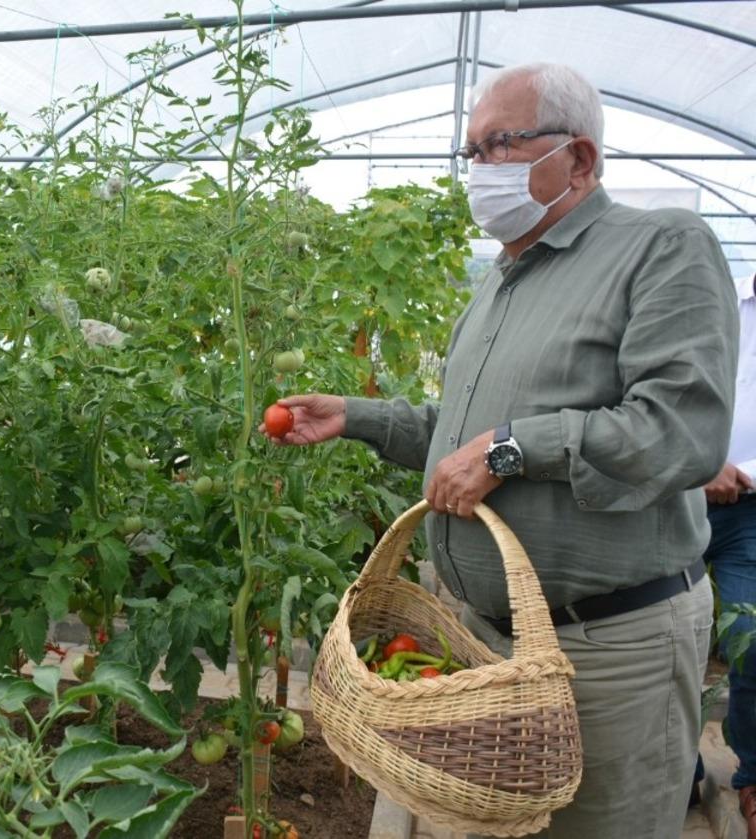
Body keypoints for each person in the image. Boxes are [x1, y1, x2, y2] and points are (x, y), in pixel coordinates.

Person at [265, 63, 739, 838]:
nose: (477, 170)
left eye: (499, 146)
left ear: (579, 159)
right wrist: (354, 416)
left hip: (608, 648)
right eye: (471, 152)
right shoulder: (501, 279)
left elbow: (679, 431)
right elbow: (459, 439)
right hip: (490, 647)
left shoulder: (660, 247)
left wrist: (516, 446)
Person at [692, 270, 756, 835]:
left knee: (750, 640)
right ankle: (678, 765)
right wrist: (696, 462)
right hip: (673, 497)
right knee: (656, 631)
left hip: (753, 509)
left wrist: (742, 472)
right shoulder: (715, 294)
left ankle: (752, 777)